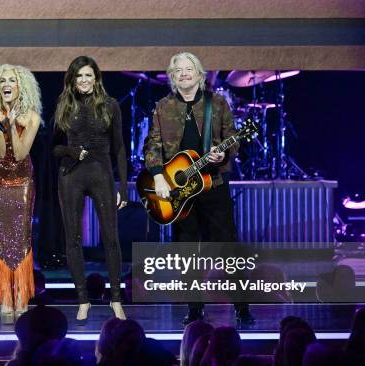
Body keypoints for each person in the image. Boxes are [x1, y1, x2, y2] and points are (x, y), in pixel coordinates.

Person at [143, 51, 253, 325]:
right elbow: (152, 146)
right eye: (177, 70)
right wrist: (158, 177)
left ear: (199, 73)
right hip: (179, 193)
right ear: (172, 76)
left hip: (213, 185)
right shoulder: (163, 107)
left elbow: (232, 139)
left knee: (228, 248)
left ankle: (242, 308)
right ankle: (194, 309)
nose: (183, 73)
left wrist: (223, 155)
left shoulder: (217, 104)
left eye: (188, 69)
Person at [53, 56, 128, 324]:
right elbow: (54, 148)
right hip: (71, 175)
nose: (84, 81)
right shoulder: (64, 105)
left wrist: (123, 187)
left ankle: (116, 299)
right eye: (79, 76)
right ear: (72, 80)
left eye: (88, 75)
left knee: (111, 237)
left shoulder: (110, 106)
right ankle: (83, 300)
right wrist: (73, 151)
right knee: (72, 238)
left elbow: (119, 147)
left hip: (101, 173)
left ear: (96, 77)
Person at [0, 64, 42, 322]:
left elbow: (18, 153)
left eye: (12, 81)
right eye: (2, 81)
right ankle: (6, 297)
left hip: (21, 180)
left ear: (21, 87)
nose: (6, 84)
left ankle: (21, 296)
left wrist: (15, 124)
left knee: (21, 237)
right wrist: (3, 123)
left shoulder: (32, 117)